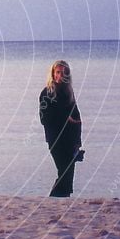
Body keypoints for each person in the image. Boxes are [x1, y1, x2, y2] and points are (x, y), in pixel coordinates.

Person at [39, 60, 82, 197]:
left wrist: (78, 142)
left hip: (70, 139)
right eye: (58, 72)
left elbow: (77, 118)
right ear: (53, 73)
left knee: (69, 174)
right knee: (64, 170)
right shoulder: (46, 93)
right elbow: (44, 119)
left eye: (64, 72)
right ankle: (53, 199)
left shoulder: (69, 92)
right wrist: (65, 118)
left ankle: (62, 202)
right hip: (55, 138)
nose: (61, 75)